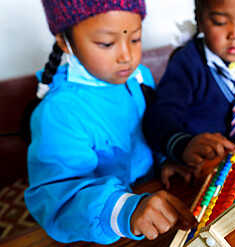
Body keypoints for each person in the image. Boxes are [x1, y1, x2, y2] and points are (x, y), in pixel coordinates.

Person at [24, 0, 198, 244]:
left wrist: (165, 159)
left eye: (135, 39)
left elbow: (150, 128)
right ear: (66, 42)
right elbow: (58, 199)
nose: (126, 56)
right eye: (106, 43)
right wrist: (124, 211)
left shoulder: (139, 79)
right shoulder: (58, 112)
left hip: (155, 203)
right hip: (98, 232)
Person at [143, 0, 235, 167]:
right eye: (220, 22)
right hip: (199, 164)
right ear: (199, 19)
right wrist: (183, 146)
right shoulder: (187, 63)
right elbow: (159, 117)